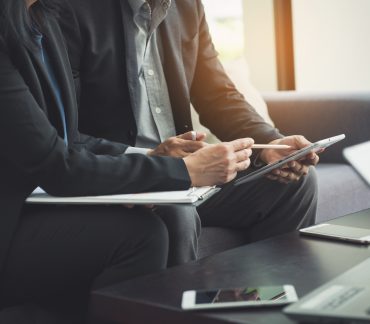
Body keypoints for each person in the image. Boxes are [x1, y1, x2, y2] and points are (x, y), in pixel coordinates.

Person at [0, 0, 254, 322]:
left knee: (147, 230)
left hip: (39, 200)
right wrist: (181, 171)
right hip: (13, 218)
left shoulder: (42, 20)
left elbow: (71, 138)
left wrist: (152, 157)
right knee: (142, 236)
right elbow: (55, 166)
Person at [58, 0, 320, 266]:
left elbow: (218, 97)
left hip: (190, 175)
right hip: (124, 176)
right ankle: (176, 307)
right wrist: (152, 158)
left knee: (296, 184)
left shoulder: (186, 6)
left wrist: (272, 142)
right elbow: (64, 131)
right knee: (176, 213)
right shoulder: (72, 10)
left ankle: (273, 302)